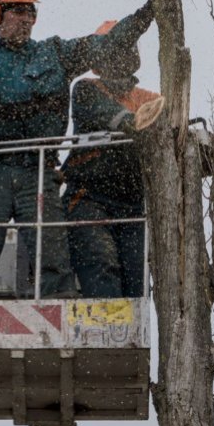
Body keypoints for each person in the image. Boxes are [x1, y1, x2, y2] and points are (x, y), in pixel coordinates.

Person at [0, 0, 155, 299]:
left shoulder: (56, 55)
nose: (26, 19)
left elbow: (108, 43)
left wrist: (148, 11)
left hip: (39, 171)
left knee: (54, 266)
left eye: (31, 11)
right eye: (19, 10)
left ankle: (57, 338)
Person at [62, 20, 165, 298]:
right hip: (89, 200)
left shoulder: (148, 98)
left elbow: (167, 118)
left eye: (124, 47)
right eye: (114, 48)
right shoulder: (86, 90)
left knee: (136, 282)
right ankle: (104, 338)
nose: (120, 55)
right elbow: (108, 113)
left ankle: (124, 338)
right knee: (101, 264)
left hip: (131, 204)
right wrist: (132, 122)